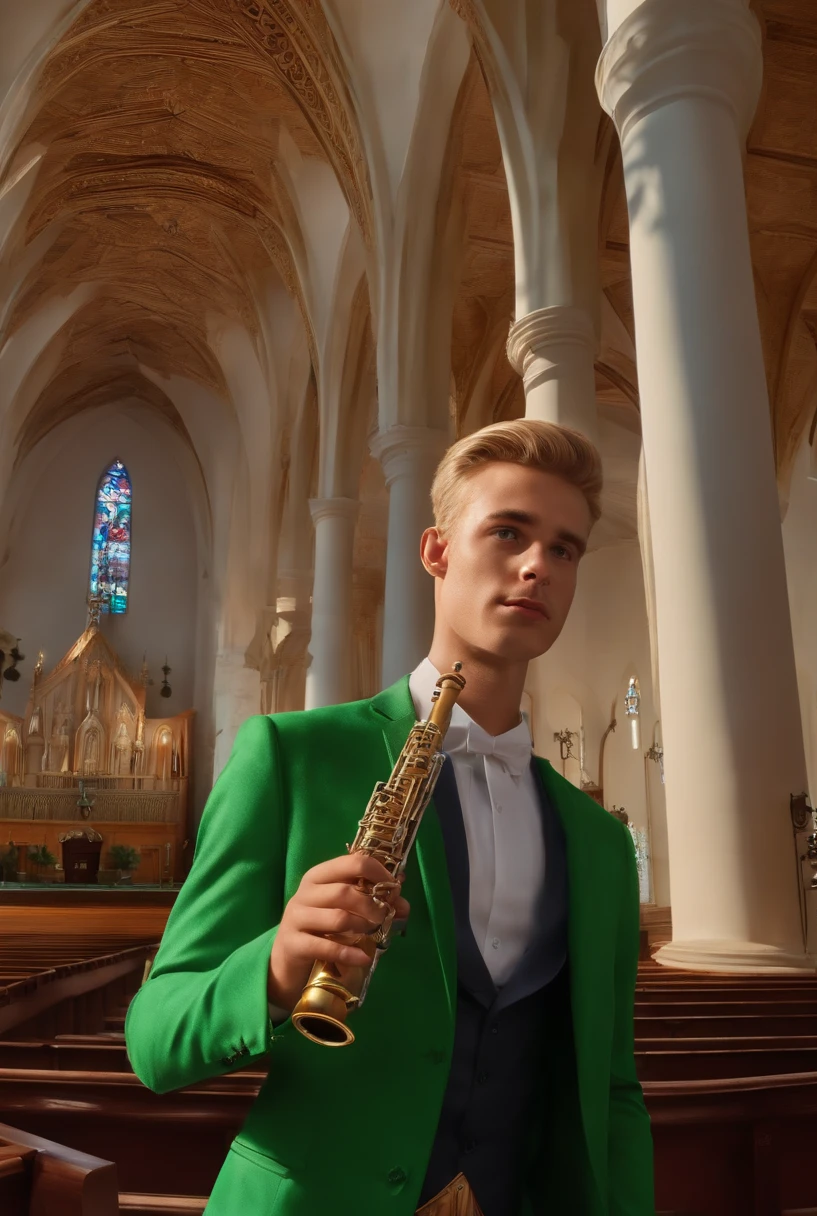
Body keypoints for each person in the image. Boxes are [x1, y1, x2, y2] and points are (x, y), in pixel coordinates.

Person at [125, 419, 655, 1215]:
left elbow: (613, 1092)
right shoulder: (291, 757)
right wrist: (273, 970)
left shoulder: (602, 843)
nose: (537, 566)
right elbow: (155, 1038)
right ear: (437, 552)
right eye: (507, 532)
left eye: (565, 548)